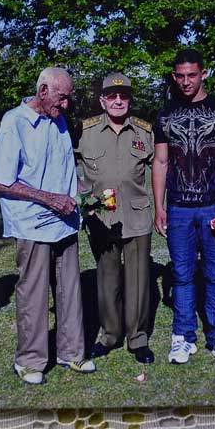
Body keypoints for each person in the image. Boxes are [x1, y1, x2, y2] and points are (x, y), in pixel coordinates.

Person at [0, 67, 96, 385]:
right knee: (33, 294)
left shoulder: (59, 120)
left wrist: (80, 200)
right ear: (43, 90)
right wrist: (50, 198)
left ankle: (71, 353)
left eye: (68, 98)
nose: (65, 105)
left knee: (70, 290)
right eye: (62, 97)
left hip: (65, 221)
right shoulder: (15, 122)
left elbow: (63, 168)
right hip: (33, 223)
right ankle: (29, 362)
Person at [152, 49, 215, 366]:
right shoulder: (164, 115)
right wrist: (159, 207)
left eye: (192, 74)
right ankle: (183, 337)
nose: (186, 81)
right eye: (180, 75)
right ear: (174, 76)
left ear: (204, 73)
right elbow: (160, 162)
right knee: (182, 274)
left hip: (214, 206)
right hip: (178, 208)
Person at [75, 73, 155, 365]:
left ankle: (138, 339)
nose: (118, 101)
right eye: (112, 96)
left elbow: (157, 170)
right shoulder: (86, 131)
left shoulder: (145, 131)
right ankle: (109, 335)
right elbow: (75, 172)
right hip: (102, 217)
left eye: (123, 96)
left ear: (129, 100)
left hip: (136, 215)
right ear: (102, 100)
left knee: (138, 280)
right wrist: (84, 202)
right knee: (107, 278)